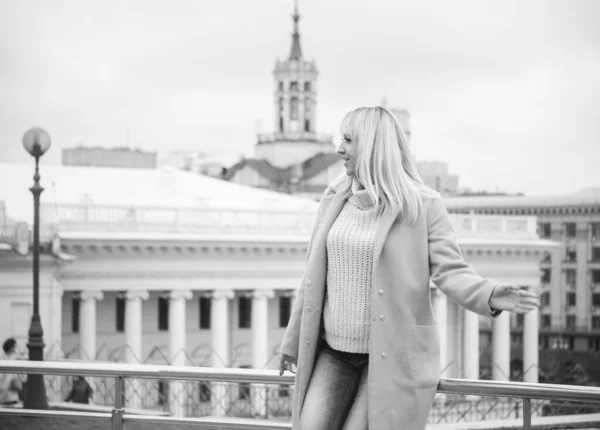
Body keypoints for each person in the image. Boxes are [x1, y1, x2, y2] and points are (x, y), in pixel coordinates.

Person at [278, 106, 539, 430]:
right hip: (334, 354)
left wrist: (490, 294)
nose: (339, 149)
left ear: (372, 145)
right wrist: (292, 343)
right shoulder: (334, 199)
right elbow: (312, 279)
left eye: (348, 140)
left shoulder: (423, 205)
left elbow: (450, 269)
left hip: (389, 358)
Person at [0, 338, 23, 405]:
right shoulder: (2, 356)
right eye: (14, 346)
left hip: (11, 380)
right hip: (4, 380)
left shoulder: (13, 356)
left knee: (12, 397)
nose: (14, 348)